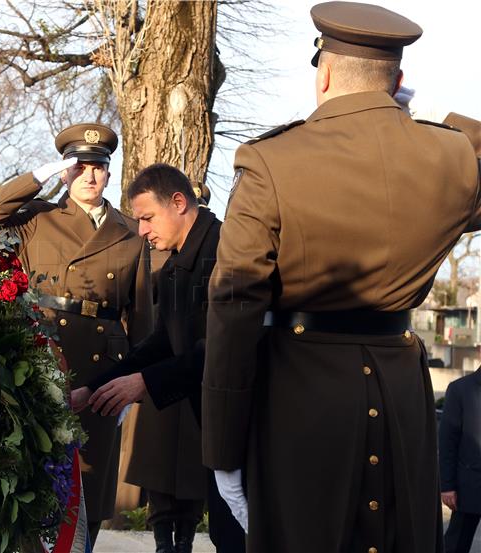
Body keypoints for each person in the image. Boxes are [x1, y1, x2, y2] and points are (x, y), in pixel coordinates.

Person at [201, 2, 481, 552]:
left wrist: (223, 448)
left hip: (300, 397)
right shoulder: (450, 159)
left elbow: (233, 305)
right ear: (399, 80)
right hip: (402, 391)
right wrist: (434, 127)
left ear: (323, 73)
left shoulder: (269, 162)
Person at [0, 123, 153, 545]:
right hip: (41, 365)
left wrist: (131, 382)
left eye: (99, 167)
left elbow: (142, 317)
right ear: (66, 171)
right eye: (79, 166)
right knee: (35, 482)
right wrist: (36, 177)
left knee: (87, 487)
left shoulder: (131, 231)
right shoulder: (39, 218)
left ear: (110, 172)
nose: (90, 175)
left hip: (101, 376)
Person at [71, 164, 246, 553]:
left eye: (148, 218)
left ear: (179, 203)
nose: (143, 231)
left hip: (248, 425)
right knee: (225, 532)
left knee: (241, 534)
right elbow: (162, 342)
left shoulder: (227, 252)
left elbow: (222, 348)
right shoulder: (173, 269)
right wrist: (94, 388)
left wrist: (146, 382)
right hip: (216, 423)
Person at [439, 367, 481, 553]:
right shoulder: (460, 389)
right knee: (456, 546)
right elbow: (448, 441)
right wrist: (447, 486)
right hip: (469, 486)